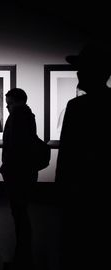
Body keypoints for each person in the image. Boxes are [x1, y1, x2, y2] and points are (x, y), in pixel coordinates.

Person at [55, 41, 111, 270]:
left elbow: (68, 154)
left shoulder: (77, 106)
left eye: (82, 69)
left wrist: (61, 190)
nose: (78, 74)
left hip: (80, 191)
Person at [0, 88, 38, 270]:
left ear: (18, 101)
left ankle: (22, 256)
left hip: (17, 173)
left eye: (10, 103)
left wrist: (5, 166)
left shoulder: (18, 116)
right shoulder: (28, 116)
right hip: (24, 171)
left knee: (19, 212)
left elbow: (15, 146)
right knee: (20, 212)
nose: (7, 107)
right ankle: (23, 254)